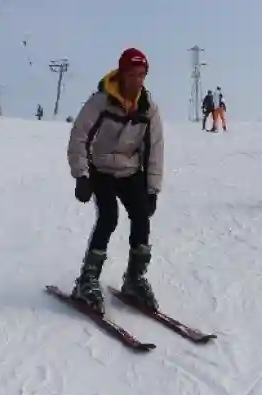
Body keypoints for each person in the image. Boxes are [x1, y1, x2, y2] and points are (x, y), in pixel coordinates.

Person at [66, 48, 165, 314]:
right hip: (100, 168)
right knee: (109, 216)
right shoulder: (101, 101)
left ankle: (134, 279)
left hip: (130, 170)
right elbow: (79, 136)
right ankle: (87, 279)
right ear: (121, 74)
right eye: (132, 75)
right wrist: (81, 175)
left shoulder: (148, 108)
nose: (138, 81)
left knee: (142, 215)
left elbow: (155, 149)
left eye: (142, 75)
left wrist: (152, 189)